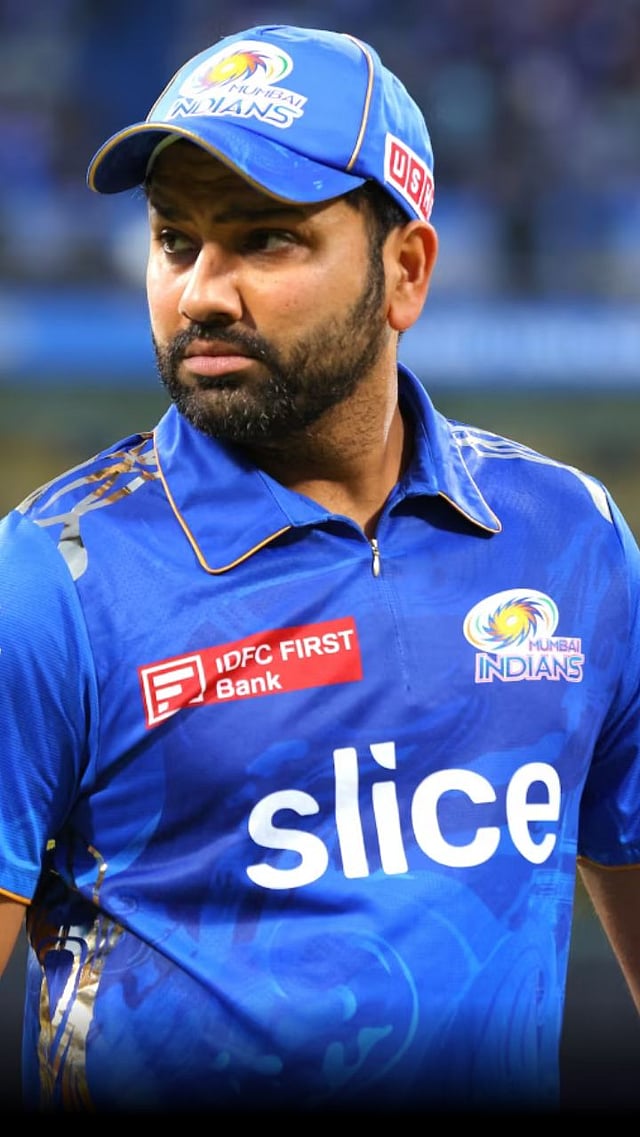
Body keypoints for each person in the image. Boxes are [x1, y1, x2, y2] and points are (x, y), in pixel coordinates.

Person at [0, 22, 639, 1118]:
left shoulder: (572, 542)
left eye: (266, 241)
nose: (202, 292)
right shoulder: (50, 581)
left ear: (406, 271)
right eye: (174, 239)